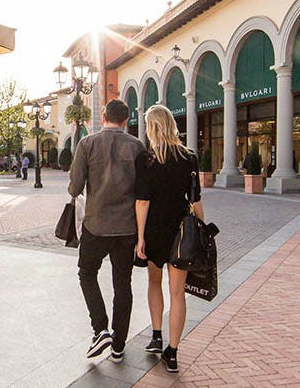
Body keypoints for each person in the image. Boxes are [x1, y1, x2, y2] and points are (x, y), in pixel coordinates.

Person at [68, 99, 147, 362]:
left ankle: (100, 329)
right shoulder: (136, 146)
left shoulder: (87, 143)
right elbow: (144, 191)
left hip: (96, 225)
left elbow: (75, 187)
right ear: (126, 121)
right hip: (127, 228)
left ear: (103, 117)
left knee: (86, 273)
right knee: (122, 284)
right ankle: (119, 346)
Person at [134, 105, 205, 373]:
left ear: (151, 127)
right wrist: (202, 228)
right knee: (178, 293)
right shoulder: (189, 157)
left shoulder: (147, 159)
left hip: (154, 229)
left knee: (154, 281)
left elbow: (142, 201)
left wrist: (140, 237)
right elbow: (196, 199)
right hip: (181, 231)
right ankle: (172, 352)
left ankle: (156, 335)